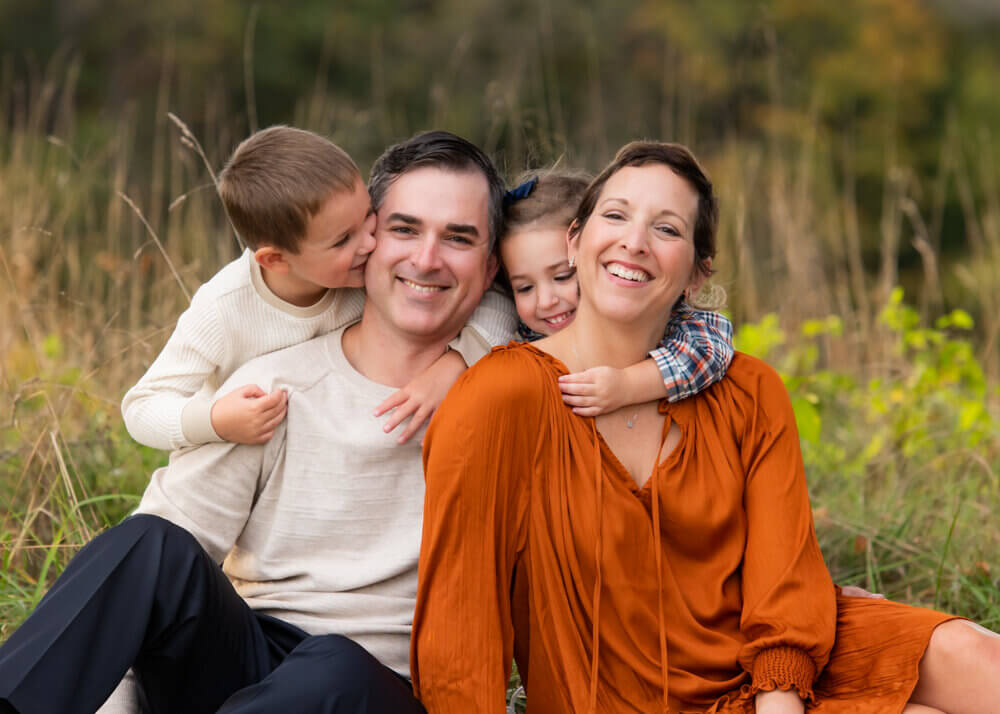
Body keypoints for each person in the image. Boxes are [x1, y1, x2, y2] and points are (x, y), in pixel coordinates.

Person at [411, 141, 1000, 713]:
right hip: (622, 696)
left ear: (696, 273)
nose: (634, 242)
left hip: (773, 665)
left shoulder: (748, 390)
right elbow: (459, 621)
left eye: (666, 229)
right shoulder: (499, 396)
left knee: (979, 656)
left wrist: (779, 696)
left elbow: (782, 573)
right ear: (576, 239)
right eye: (615, 215)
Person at [0, 130, 511, 714]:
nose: (425, 258)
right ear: (368, 237)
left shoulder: (512, 399)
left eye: (458, 238)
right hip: (245, 665)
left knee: (334, 666)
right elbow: (133, 596)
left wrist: (464, 368)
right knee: (150, 543)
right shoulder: (268, 392)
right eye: (403, 228)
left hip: (378, 687)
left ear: (491, 265)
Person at [121, 126, 511, 451]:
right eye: (344, 240)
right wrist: (214, 419)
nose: (369, 245)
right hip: (253, 450)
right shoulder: (224, 308)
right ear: (276, 260)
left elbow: (495, 297)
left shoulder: (354, 272)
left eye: (368, 220)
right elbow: (143, 406)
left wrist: (457, 364)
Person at [500, 170, 734, 416]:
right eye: (524, 288)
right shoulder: (521, 341)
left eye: (562, 276)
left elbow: (710, 347)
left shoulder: (667, 323)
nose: (546, 301)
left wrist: (627, 386)